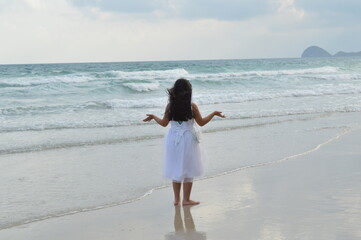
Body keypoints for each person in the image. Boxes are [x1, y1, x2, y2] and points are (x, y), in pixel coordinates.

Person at [143, 78, 225, 206]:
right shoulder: (192, 106)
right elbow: (201, 122)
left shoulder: (170, 106)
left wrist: (154, 117)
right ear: (188, 91)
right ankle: (186, 200)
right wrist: (213, 113)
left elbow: (164, 124)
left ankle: (176, 200)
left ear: (175, 90)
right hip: (188, 138)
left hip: (173, 138)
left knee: (176, 167)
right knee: (189, 167)